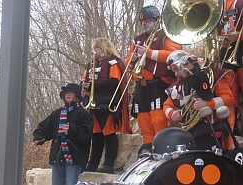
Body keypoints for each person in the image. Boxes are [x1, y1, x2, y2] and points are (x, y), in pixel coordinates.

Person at [125, 5, 181, 155]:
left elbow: (174, 54)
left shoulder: (166, 35)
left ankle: (162, 147)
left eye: (149, 20)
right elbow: (127, 62)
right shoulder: (137, 39)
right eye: (143, 21)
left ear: (157, 21)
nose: (145, 23)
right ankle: (148, 148)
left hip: (158, 83)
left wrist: (149, 53)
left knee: (157, 120)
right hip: (141, 86)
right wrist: (133, 58)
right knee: (143, 121)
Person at [163, 50, 235, 150]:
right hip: (190, 134)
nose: (176, 74)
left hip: (211, 130)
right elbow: (166, 105)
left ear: (185, 63)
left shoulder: (213, 76)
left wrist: (207, 103)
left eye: (176, 68)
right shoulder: (177, 86)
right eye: (173, 71)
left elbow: (229, 98)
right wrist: (172, 113)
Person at [82, 37, 132, 174]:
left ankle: (108, 164)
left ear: (103, 48)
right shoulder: (91, 64)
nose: (94, 50)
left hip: (108, 102)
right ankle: (93, 163)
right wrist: (85, 87)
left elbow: (114, 83)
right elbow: (84, 79)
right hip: (94, 103)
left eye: (97, 47)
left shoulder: (113, 63)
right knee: (96, 134)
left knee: (109, 132)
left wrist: (93, 86)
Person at [33, 83, 94, 185]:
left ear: (77, 95)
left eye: (70, 92)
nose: (67, 94)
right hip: (57, 157)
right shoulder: (57, 113)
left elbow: (87, 135)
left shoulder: (84, 114)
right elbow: (44, 127)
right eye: (65, 93)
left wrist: (72, 129)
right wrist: (39, 137)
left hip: (74, 158)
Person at [217, 0, 243, 148]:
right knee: (228, 99)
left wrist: (239, 35)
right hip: (225, 56)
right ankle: (229, 145)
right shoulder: (220, 3)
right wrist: (220, 39)